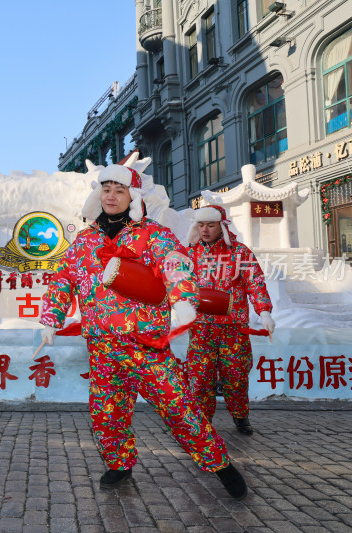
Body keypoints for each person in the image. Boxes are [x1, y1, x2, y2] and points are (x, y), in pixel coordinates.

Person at [39, 159, 247, 499]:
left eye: (119, 189)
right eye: (106, 189)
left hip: (146, 345)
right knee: (107, 412)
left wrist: (182, 299)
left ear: (132, 195)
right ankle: (119, 464)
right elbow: (63, 280)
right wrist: (51, 319)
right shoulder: (84, 242)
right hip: (103, 348)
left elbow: (176, 262)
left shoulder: (152, 234)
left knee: (180, 408)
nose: (110, 196)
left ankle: (220, 464)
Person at [185, 205, 275, 435]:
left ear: (221, 226)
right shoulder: (189, 254)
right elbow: (176, 285)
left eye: (210, 225)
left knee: (235, 375)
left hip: (233, 327)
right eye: (201, 224)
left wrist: (264, 311)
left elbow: (255, 282)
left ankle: (240, 416)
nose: (204, 230)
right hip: (201, 327)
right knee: (200, 377)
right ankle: (202, 422)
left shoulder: (239, 253)